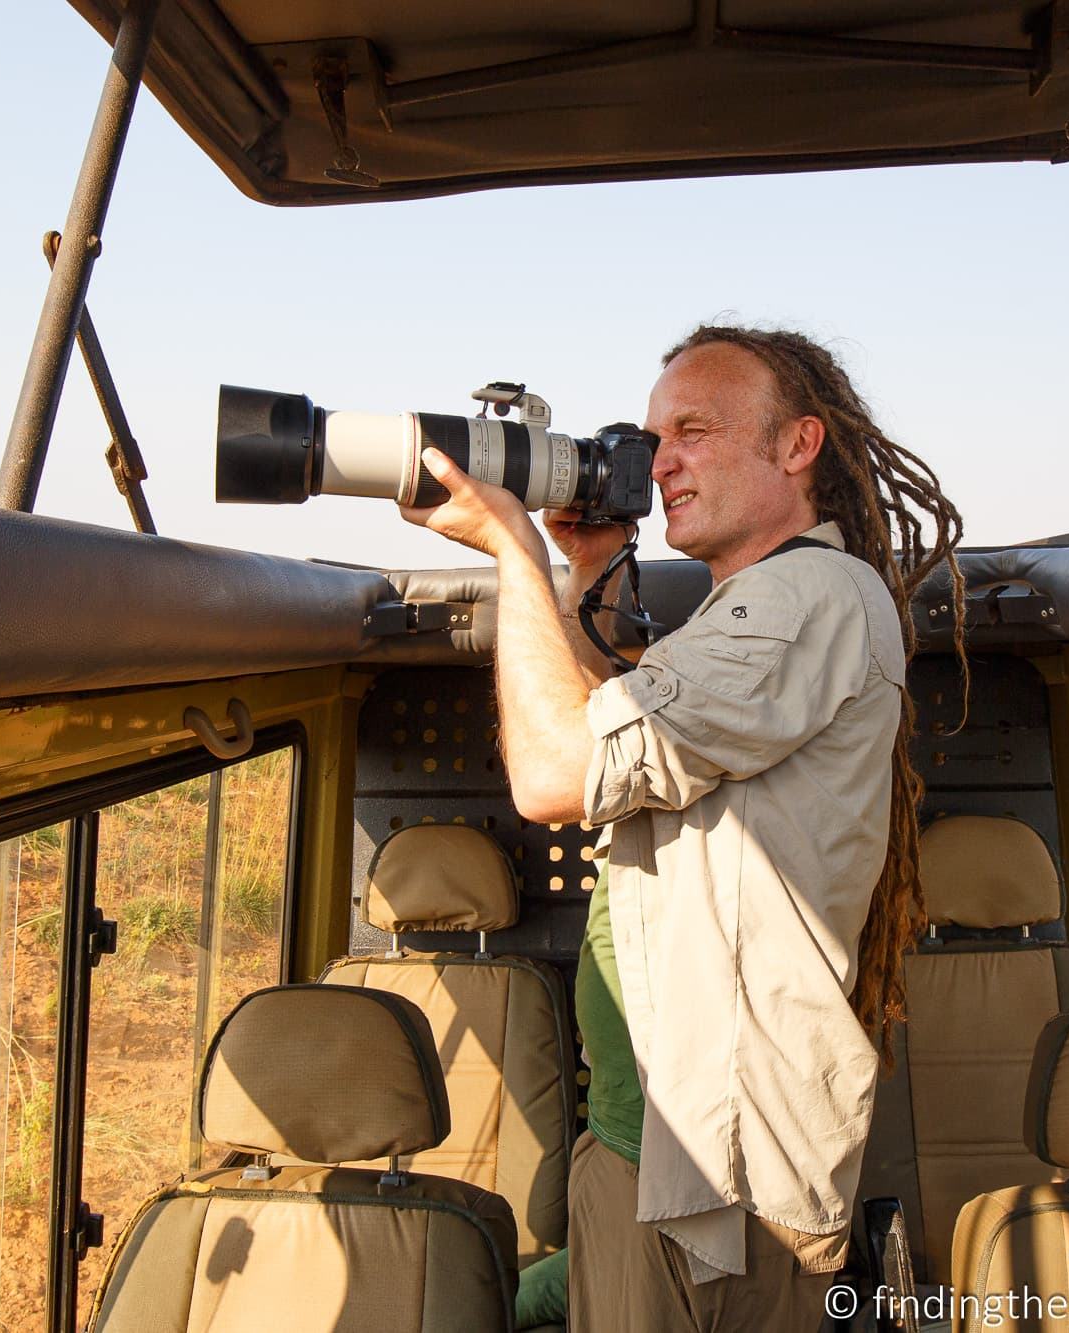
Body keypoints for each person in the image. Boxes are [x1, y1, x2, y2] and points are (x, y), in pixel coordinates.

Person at [402, 324, 964, 1332]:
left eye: (692, 431)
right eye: (650, 438)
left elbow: (555, 772)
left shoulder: (801, 598)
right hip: (655, 1144)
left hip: (717, 1180)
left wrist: (511, 554)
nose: (658, 461)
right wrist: (584, 571)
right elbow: (611, 734)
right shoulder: (750, 607)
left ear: (797, 446)